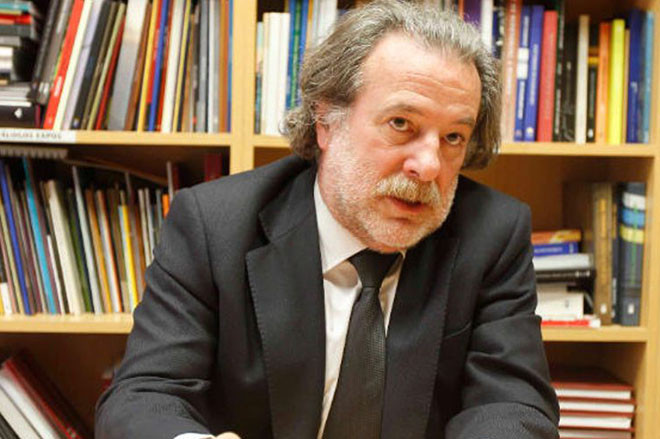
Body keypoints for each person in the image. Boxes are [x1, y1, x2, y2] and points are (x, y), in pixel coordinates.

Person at [95, 1, 560, 438]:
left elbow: (513, 405)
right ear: (326, 120)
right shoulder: (215, 225)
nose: (429, 166)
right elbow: (145, 396)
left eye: (453, 137)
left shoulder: (492, 234)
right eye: (401, 124)